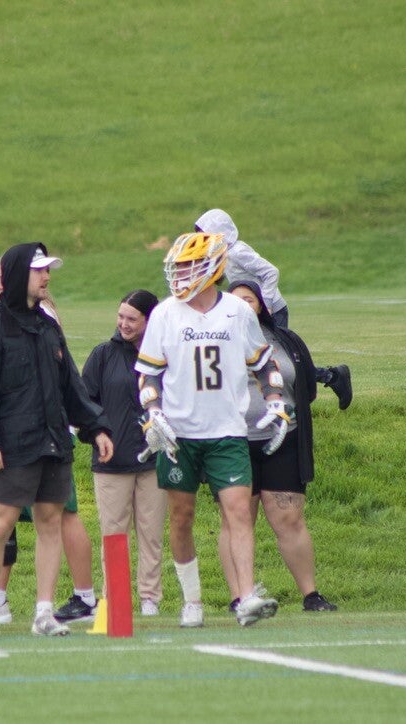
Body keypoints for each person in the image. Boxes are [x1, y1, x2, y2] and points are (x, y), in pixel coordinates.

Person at [0, 242, 113, 638]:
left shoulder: (47, 327)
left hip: (53, 444)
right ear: (18, 275)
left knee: (50, 523)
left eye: (48, 270)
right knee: (0, 524)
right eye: (39, 270)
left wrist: (96, 427)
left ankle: (44, 612)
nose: (46, 277)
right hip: (13, 446)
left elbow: (71, 386)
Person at [135, 231, 282, 628]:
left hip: (227, 431)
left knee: (238, 512)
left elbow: (263, 362)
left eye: (189, 267)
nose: (181, 275)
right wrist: (153, 412)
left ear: (213, 268)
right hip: (179, 434)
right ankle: (192, 600)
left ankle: (247, 597)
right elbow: (148, 374)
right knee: (181, 517)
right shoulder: (164, 313)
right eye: (179, 267)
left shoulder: (237, 311)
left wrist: (275, 400)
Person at [219, 280, 337, 612]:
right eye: (236, 300)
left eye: (249, 299)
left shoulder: (284, 339)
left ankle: (311, 595)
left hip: (284, 438)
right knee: (236, 520)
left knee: (289, 518)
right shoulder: (217, 339)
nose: (243, 305)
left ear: (261, 305)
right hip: (233, 442)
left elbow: (305, 384)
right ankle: (240, 596)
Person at [194, 209, 353, 410]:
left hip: (270, 311)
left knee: (280, 360)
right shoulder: (223, 255)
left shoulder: (238, 252)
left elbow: (271, 272)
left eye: (204, 235)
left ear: (220, 232)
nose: (202, 240)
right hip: (252, 311)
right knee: (253, 356)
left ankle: (330, 378)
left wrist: (266, 304)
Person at [82, 290, 167, 616]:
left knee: (151, 534)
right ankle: (117, 601)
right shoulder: (103, 355)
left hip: (154, 461)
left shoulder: (164, 355)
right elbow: (84, 404)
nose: (123, 324)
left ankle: (150, 599)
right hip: (111, 463)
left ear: (149, 320)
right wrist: (97, 433)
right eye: (121, 317)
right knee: (114, 535)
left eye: (132, 318)